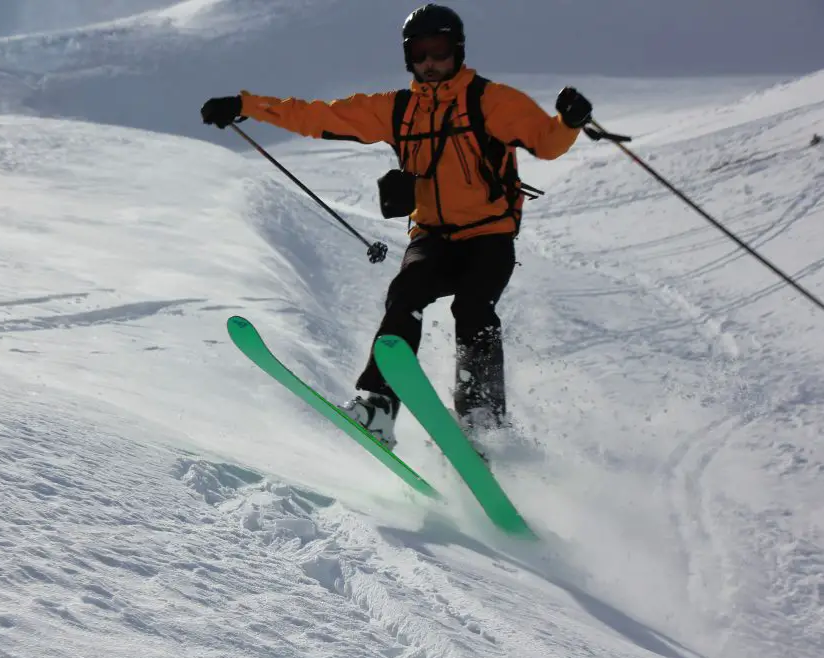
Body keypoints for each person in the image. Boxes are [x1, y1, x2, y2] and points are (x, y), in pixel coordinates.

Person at [201, 4, 592, 452]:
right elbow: (317, 116)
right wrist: (246, 105)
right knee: (405, 294)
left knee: (473, 308)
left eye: (439, 50)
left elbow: (546, 141)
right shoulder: (397, 109)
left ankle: (481, 413)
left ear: (457, 50)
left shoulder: (490, 101)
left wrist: (569, 122)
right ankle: (379, 406)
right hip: (432, 236)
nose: (430, 62)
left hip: (489, 235)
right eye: (420, 53)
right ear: (408, 58)